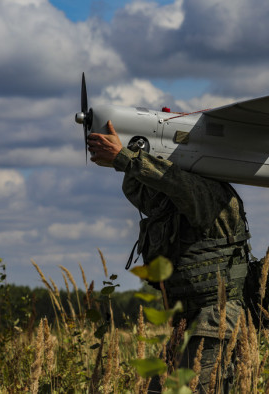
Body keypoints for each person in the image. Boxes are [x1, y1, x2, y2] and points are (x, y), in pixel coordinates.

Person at [87, 121, 252, 393]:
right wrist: (128, 151)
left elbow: (176, 183)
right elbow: (143, 191)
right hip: (191, 322)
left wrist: (125, 158)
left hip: (215, 322)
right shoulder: (177, 204)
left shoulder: (210, 195)